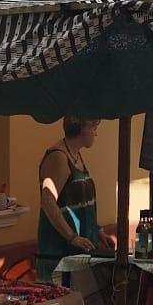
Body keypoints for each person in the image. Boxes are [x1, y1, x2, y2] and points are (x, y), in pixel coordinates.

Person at [35, 118, 102, 280]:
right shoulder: (58, 157)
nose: (96, 134)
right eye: (93, 127)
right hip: (59, 253)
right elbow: (48, 202)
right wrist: (72, 237)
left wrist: (97, 230)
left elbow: (80, 201)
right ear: (81, 129)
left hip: (79, 252)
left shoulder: (76, 155)